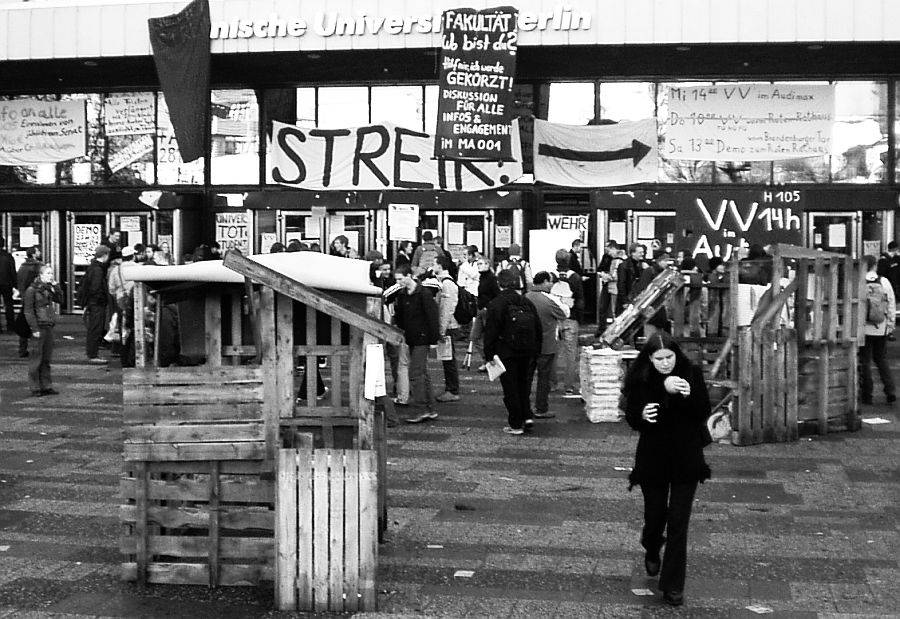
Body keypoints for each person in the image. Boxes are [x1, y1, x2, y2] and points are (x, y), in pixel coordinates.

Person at [623, 331, 712, 607]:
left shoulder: (691, 373)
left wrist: (687, 394)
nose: (665, 363)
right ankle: (651, 545)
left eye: (669, 357)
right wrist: (643, 413)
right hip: (654, 457)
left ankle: (673, 585)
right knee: (655, 514)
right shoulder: (641, 378)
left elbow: (702, 410)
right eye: (659, 358)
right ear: (650, 358)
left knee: (678, 521)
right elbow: (633, 415)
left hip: (686, 456)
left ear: (676, 354)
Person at [484, 269, 542, 435]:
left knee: (511, 388)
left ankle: (516, 423)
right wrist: (536, 350)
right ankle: (527, 416)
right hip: (528, 351)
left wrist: (489, 356)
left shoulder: (496, 303)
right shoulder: (526, 302)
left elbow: (491, 333)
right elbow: (537, 327)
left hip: (506, 352)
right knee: (524, 385)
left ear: (499, 284)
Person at [392, 263, 440, 423]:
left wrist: (433, 339)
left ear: (408, 276)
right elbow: (400, 316)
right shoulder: (403, 294)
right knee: (422, 373)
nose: (398, 282)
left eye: (400, 279)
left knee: (415, 373)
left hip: (422, 338)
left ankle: (421, 409)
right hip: (412, 338)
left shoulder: (423, 294)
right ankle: (430, 408)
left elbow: (432, 318)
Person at [525, 271, 570, 420]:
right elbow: (564, 314)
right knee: (544, 378)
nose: (552, 284)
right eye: (550, 282)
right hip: (546, 343)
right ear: (544, 282)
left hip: (528, 344)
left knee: (527, 376)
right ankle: (541, 408)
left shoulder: (526, 297)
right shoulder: (548, 300)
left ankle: (524, 406)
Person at [860, 254, 897, 405]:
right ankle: (890, 391)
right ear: (875, 265)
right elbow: (891, 303)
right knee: (881, 359)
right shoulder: (884, 281)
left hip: (864, 328)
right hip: (881, 327)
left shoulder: (859, 281)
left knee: (865, 361)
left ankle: (867, 394)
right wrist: (890, 324)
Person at [23, 264, 63, 397]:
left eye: (51, 273)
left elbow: (60, 299)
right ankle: (35, 387)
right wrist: (34, 328)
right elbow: (28, 311)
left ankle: (46, 385)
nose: (50, 276)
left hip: (49, 324)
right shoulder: (32, 290)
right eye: (48, 273)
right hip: (39, 325)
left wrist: (56, 287)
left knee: (46, 358)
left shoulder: (49, 288)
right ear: (40, 275)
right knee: (36, 358)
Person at [553, 250, 582, 396]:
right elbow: (580, 300)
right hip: (571, 318)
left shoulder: (551, 276)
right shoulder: (575, 277)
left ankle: (552, 383)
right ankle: (569, 385)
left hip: (554, 319)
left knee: (552, 352)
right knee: (570, 354)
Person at [432, 254, 460, 402]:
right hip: (447, 325)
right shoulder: (442, 282)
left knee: (448, 359)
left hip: (448, 325)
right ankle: (451, 388)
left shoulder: (447, 284)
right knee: (447, 358)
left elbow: (447, 308)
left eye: (434, 264)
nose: (432, 266)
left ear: (440, 266)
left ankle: (452, 390)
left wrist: (441, 329)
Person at [80, 245, 111, 365]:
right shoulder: (98, 270)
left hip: (93, 303)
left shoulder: (93, 267)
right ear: (105, 255)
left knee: (94, 328)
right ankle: (93, 354)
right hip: (96, 304)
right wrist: (101, 300)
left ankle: (92, 353)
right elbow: (95, 288)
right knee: (95, 329)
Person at [469, 256, 500, 371]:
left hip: (487, 310)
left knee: (488, 338)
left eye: (482, 264)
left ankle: (491, 361)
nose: (479, 266)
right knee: (474, 337)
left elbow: (496, 294)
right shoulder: (482, 277)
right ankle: (488, 359)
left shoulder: (491, 278)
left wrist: (489, 307)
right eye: (478, 264)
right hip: (481, 309)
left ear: (488, 265)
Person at [16, 246, 43, 357]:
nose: (39, 252)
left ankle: (22, 349)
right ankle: (38, 349)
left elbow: (19, 281)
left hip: (25, 297)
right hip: (35, 299)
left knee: (24, 324)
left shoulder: (22, 266)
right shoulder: (37, 267)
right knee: (37, 323)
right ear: (33, 254)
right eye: (37, 251)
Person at [616, 243, 647, 315]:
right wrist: (624, 301)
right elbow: (621, 284)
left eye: (643, 252)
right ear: (633, 253)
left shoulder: (642, 265)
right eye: (640, 252)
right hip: (627, 298)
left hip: (637, 298)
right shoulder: (624, 266)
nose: (642, 254)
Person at [597, 241, 619, 326]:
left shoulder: (618, 259)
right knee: (602, 307)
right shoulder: (606, 257)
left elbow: (615, 275)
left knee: (614, 310)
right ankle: (602, 328)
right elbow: (599, 269)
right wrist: (602, 274)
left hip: (614, 287)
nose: (608, 252)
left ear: (613, 248)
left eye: (609, 249)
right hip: (607, 285)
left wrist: (608, 277)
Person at [0, 237, 16, 333]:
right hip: (7, 283)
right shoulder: (8, 256)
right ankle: (10, 326)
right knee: (9, 305)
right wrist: (15, 284)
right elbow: (12, 271)